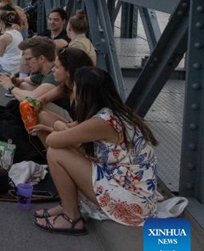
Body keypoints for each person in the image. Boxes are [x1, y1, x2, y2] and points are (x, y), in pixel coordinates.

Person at [31, 67, 159, 233]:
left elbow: (53, 140)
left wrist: (55, 126)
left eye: (75, 87)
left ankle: (71, 217)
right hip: (133, 192)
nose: (72, 91)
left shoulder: (102, 122)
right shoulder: (110, 112)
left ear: (84, 93)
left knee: (56, 153)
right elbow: (69, 129)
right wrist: (58, 128)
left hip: (131, 204)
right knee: (65, 146)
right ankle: (67, 205)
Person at [34, 47, 95, 128]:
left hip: (85, 131)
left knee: (43, 117)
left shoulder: (83, 91)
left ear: (69, 71)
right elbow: (42, 99)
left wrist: (52, 129)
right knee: (38, 112)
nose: (53, 70)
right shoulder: (65, 86)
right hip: (74, 126)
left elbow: (85, 124)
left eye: (57, 67)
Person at [0, 36, 60, 103]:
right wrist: (13, 80)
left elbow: (32, 98)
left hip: (64, 112)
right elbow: (23, 80)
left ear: (41, 59)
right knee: (24, 85)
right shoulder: (44, 72)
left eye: (28, 59)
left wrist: (9, 86)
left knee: (34, 103)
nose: (25, 63)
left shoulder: (55, 74)